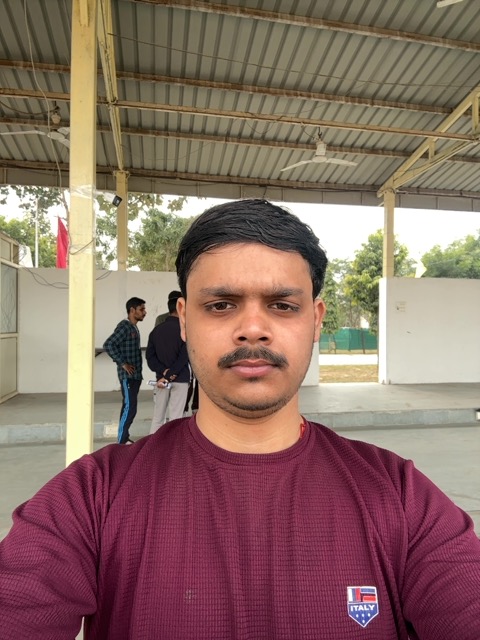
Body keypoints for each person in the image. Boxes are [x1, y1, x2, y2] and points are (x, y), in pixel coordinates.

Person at [0, 199, 479, 640]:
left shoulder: (399, 495)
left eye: (282, 305)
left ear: (316, 320)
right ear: (184, 319)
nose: (252, 328)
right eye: (221, 305)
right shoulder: (92, 496)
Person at [103, 296, 146, 444]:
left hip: (135, 376)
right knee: (130, 407)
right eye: (141, 309)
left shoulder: (133, 327)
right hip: (127, 376)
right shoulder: (125, 327)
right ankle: (121, 442)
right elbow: (108, 344)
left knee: (129, 407)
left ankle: (124, 437)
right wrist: (123, 363)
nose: (144, 312)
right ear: (132, 310)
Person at [146, 292, 190, 432]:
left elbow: (150, 358)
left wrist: (164, 373)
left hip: (161, 380)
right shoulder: (185, 332)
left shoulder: (155, 331)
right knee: (176, 418)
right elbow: (184, 357)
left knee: (157, 418)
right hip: (180, 379)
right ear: (180, 309)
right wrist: (171, 374)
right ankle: (173, 445)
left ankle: (153, 444)